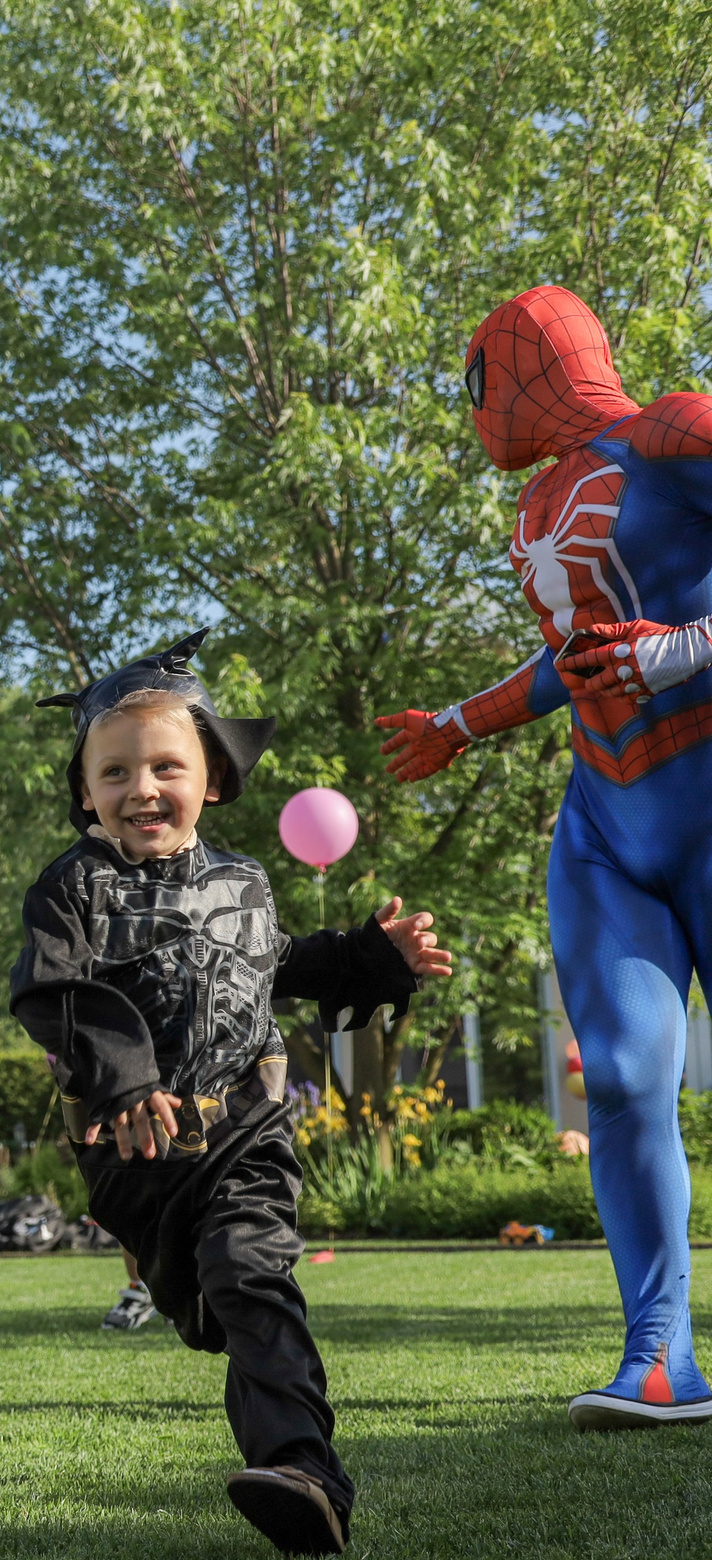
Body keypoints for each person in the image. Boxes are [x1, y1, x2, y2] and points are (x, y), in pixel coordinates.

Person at [12, 631, 451, 1557]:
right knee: (211, 1304)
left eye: (166, 765)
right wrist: (126, 1080)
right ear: (86, 790)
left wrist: (370, 958)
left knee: (254, 1277)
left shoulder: (244, 880)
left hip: (246, 1130)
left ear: (211, 777)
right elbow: (52, 991)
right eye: (116, 771)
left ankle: (305, 1476)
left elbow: (274, 965)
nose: (142, 787)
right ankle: (220, 1316)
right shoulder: (73, 889)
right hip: (136, 1162)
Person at [377, 285, 712, 1429]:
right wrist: (457, 725)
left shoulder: (673, 429)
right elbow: (575, 661)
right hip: (607, 823)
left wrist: (683, 650)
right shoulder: (539, 499)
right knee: (619, 1077)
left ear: (530, 355)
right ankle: (660, 1357)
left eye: (480, 372)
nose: (475, 405)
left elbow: (648, 646)